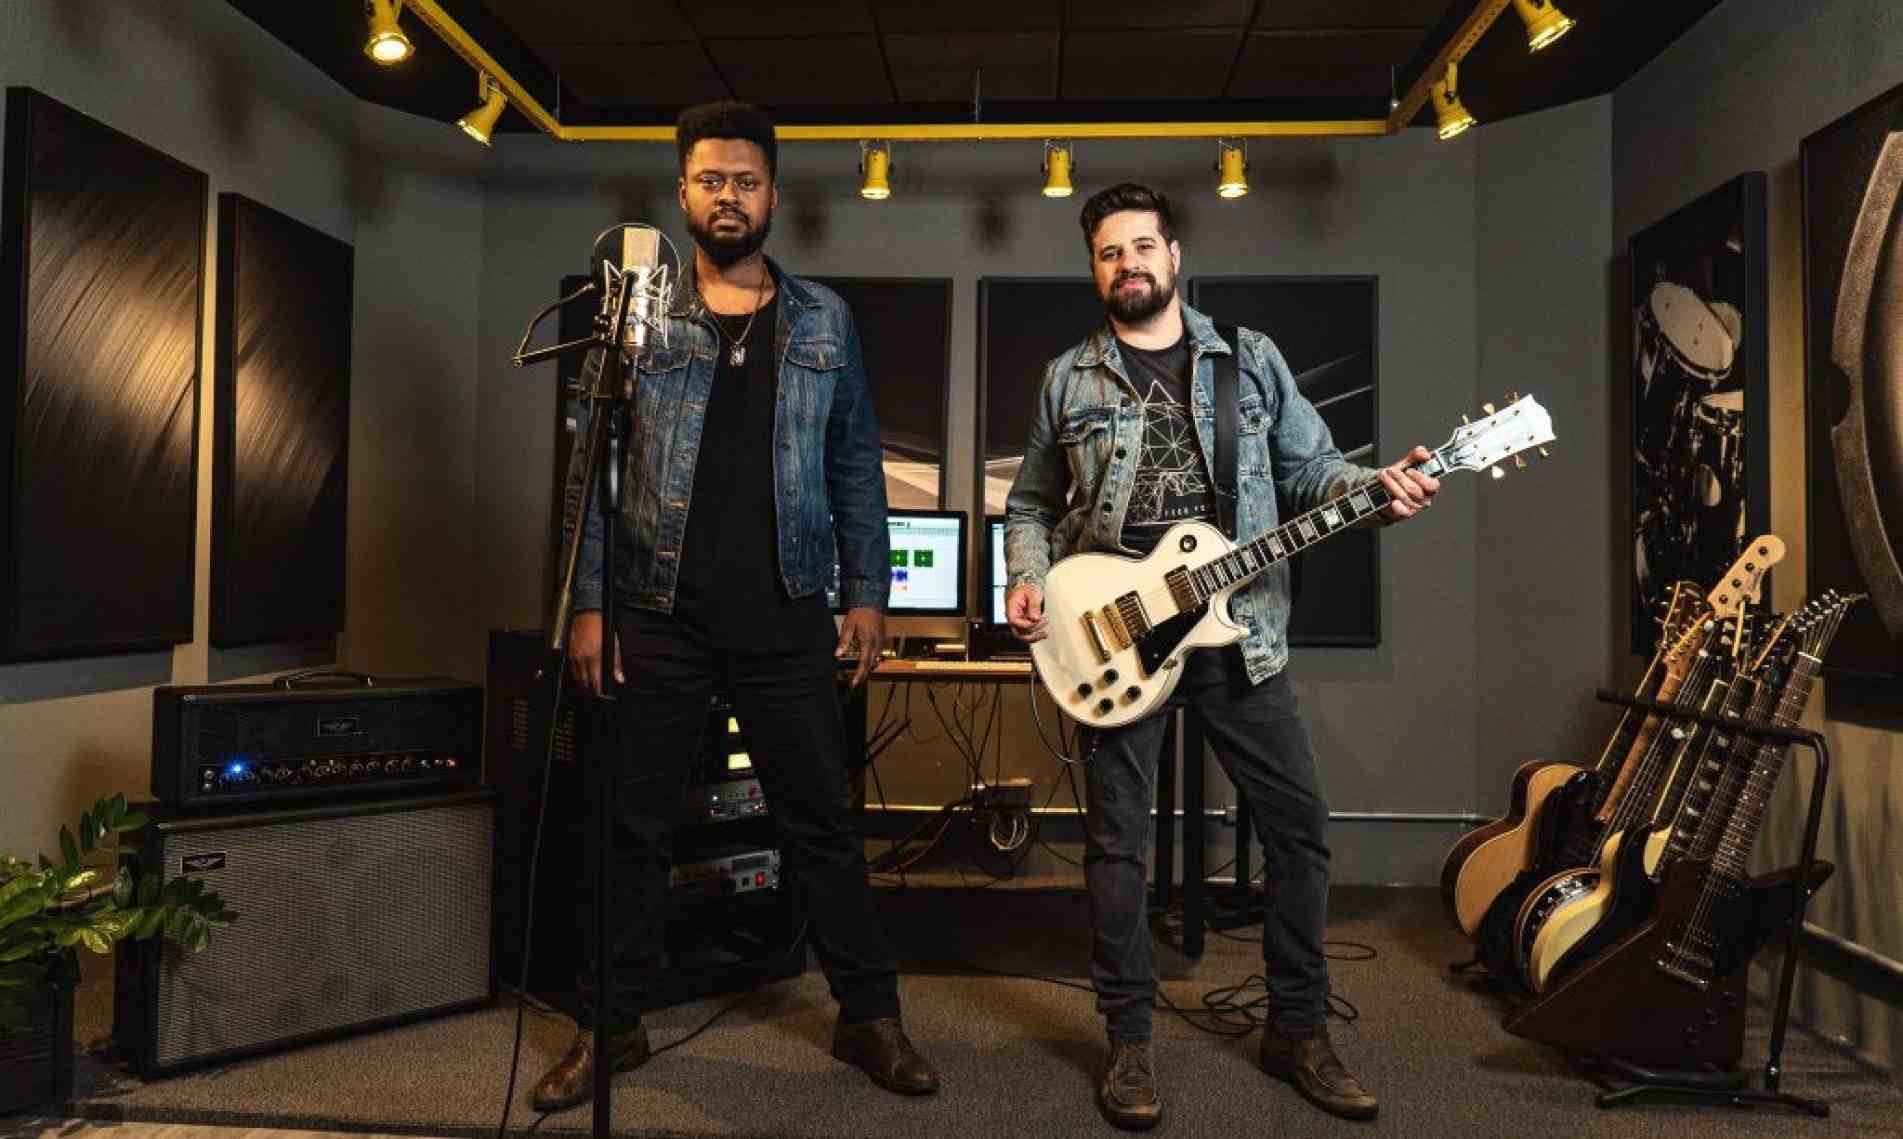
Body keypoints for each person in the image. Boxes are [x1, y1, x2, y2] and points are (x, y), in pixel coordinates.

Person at [1002, 183, 1439, 1129]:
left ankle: (1298, 1030)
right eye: (1109, 252)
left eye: (1142, 246)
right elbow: (1030, 503)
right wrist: (1026, 575)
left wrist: (1377, 488)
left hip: (1241, 633)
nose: (1128, 264)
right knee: (1116, 846)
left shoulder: (1248, 359)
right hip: (1115, 635)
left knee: (1298, 831)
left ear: (1173, 255)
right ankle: (1128, 1042)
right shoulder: (1067, 378)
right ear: (1094, 268)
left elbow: (1310, 471)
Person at [535, 100, 939, 1111]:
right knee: (631, 828)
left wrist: (867, 593)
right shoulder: (634, 313)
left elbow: (855, 465)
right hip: (654, 608)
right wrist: (587, 605)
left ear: (772, 196)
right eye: (710, 180)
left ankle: (869, 1014)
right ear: (682, 192)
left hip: (786, 609)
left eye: (745, 181)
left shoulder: (822, 319)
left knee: (822, 824)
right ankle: (610, 1023)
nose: (728, 196)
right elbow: (592, 469)